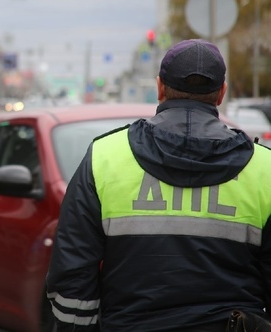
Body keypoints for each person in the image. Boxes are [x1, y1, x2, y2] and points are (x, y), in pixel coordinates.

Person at [46, 39, 271, 331]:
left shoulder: (104, 158)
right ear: (221, 94)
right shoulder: (264, 170)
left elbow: (71, 275)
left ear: (160, 88)